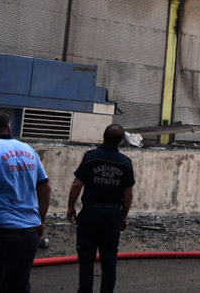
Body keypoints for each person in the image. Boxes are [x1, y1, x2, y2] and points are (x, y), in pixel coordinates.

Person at [0, 110, 50, 293]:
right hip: (29, 231)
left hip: (1, 230)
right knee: (19, 285)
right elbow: (45, 188)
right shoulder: (28, 149)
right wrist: (40, 220)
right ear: (9, 127)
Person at [66, 124, 135, 293]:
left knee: (86, 259)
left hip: (90, 213)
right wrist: (123, 216)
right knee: (109, 260)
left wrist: (70, 206)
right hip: (112, 216)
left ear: (103, 136)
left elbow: (77, 184)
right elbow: (128, 194)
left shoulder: (90, 158)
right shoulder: (125, 163)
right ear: (119, 141)